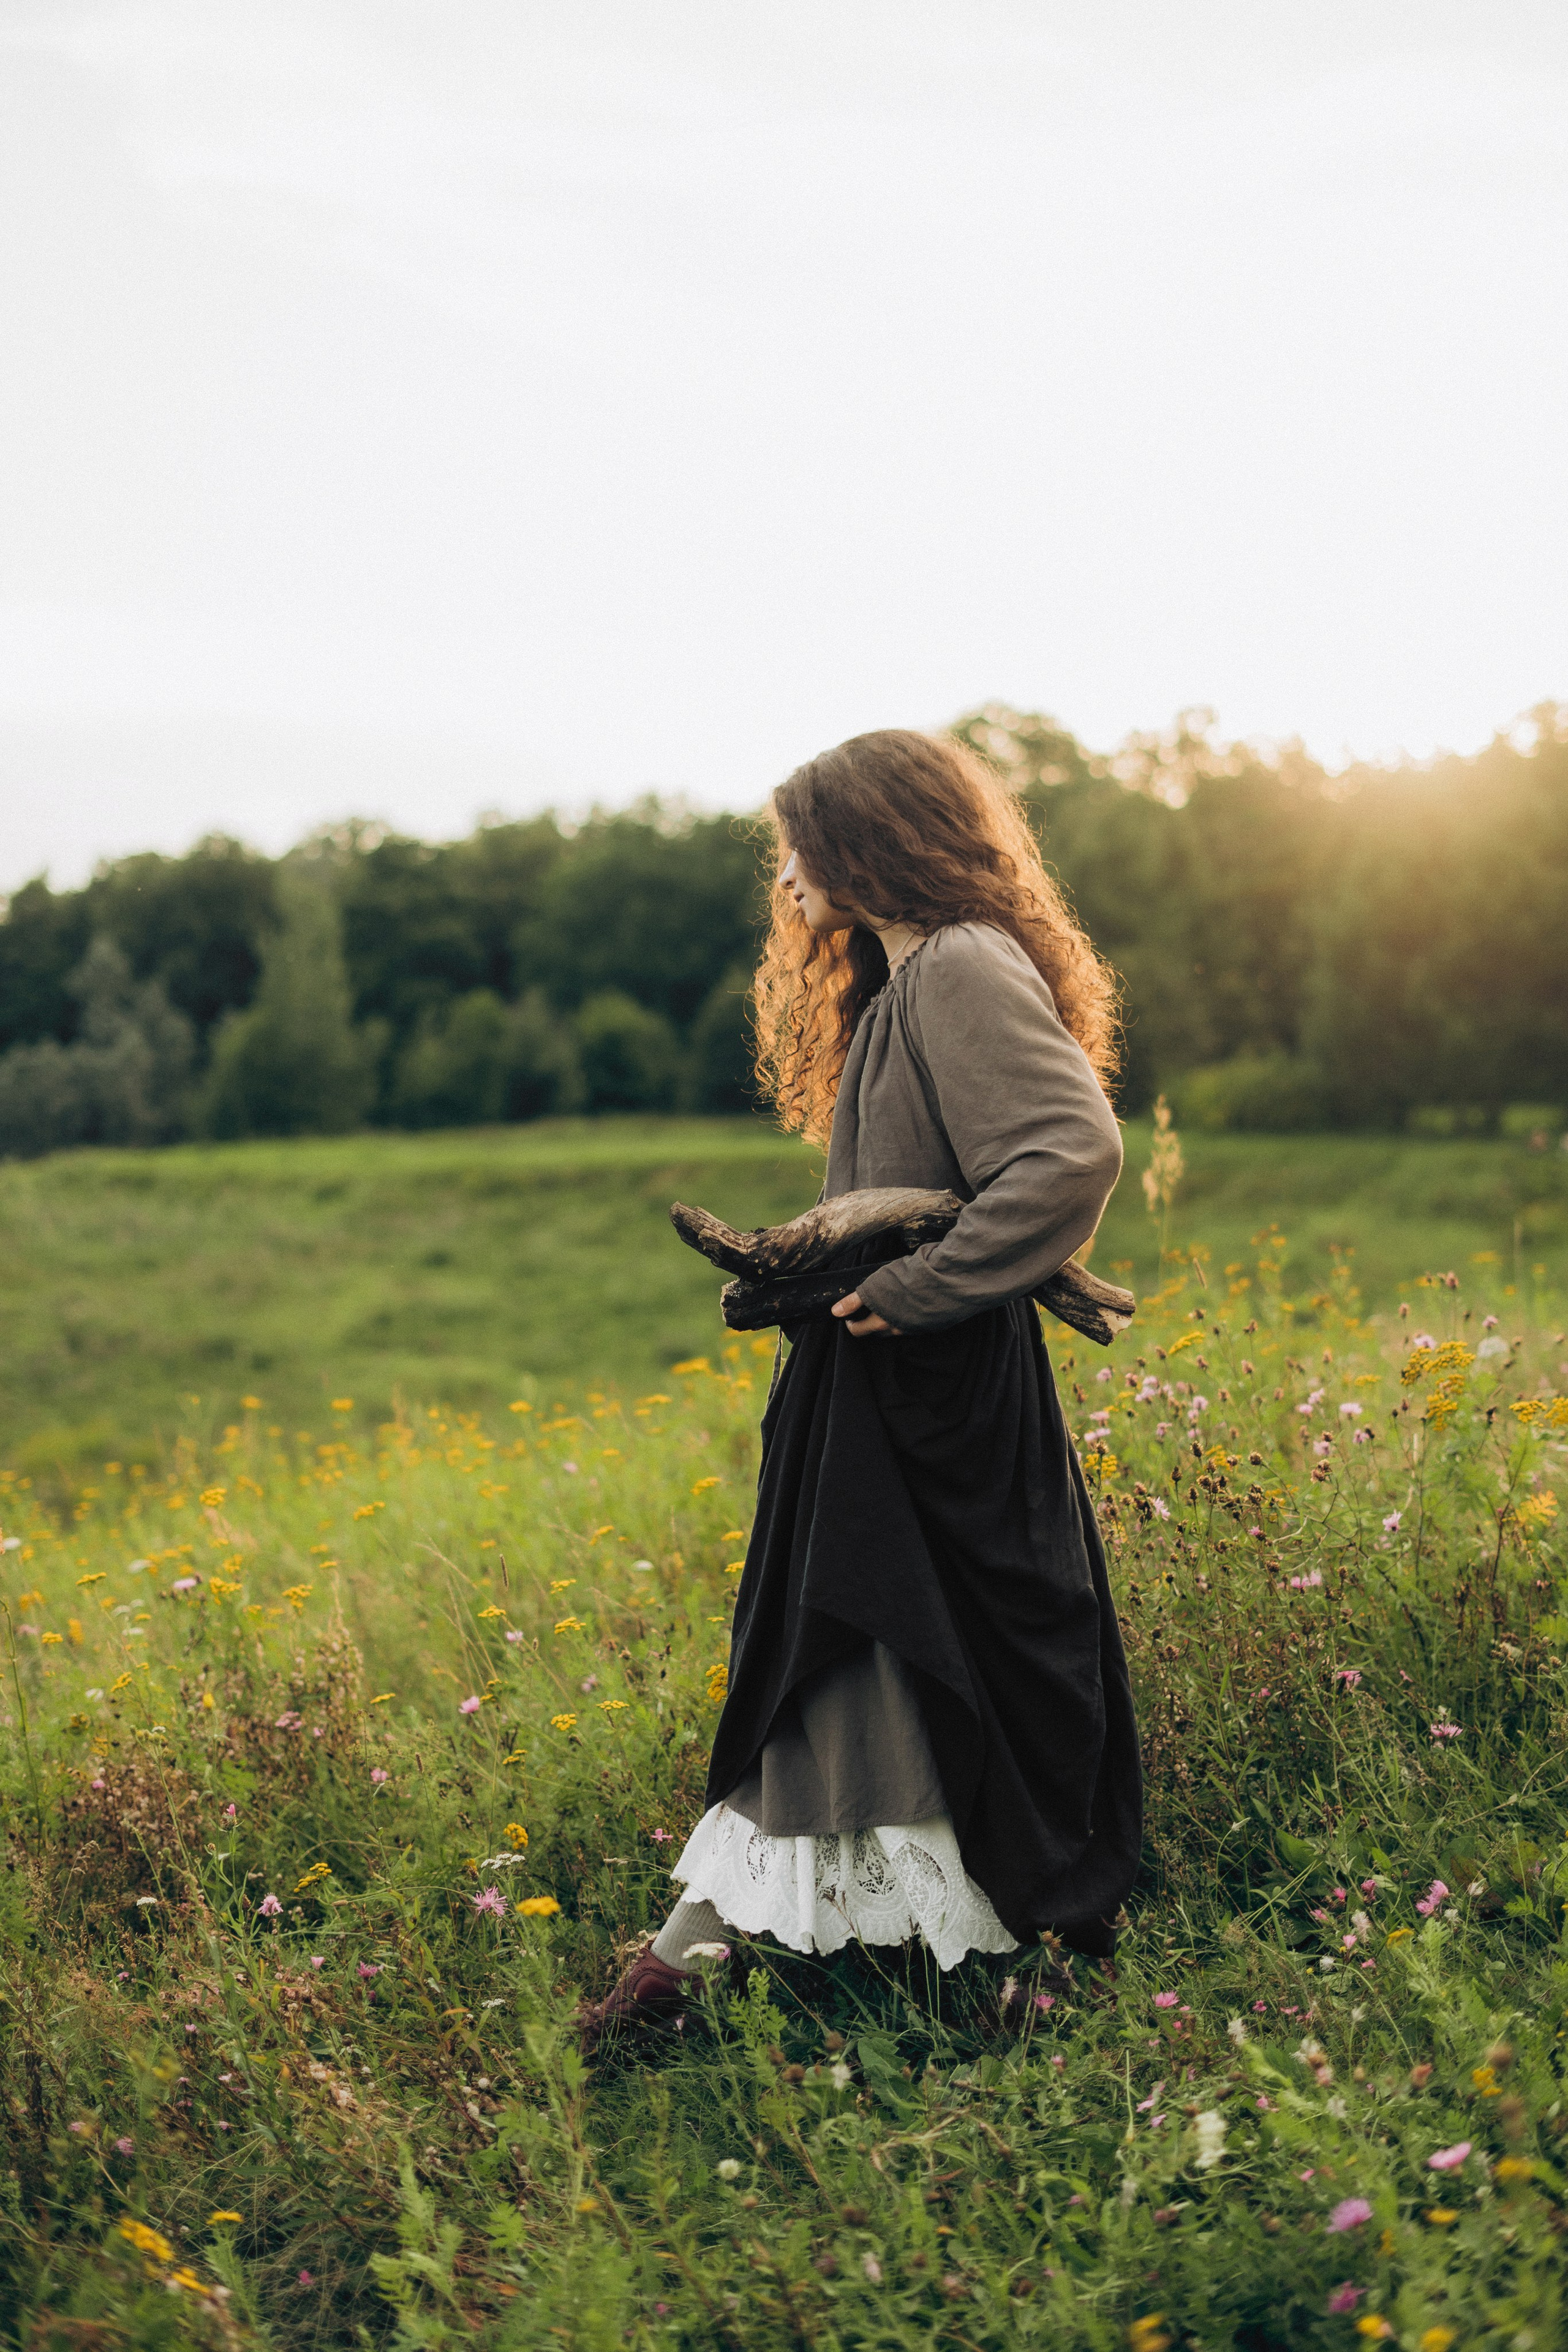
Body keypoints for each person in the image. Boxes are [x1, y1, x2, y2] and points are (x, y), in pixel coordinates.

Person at [578, 728, 1142, 2049]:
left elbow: (1066, 1155)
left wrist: (914, 1291)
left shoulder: (955, 965)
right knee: (845, 1655)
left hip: (933, 1388)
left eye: (795, 840)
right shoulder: (903, 985)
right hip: (884, 1392)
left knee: (875, 1653)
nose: (782, 870)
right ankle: (705, 1964)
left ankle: (694, 1975)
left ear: (865, 839)